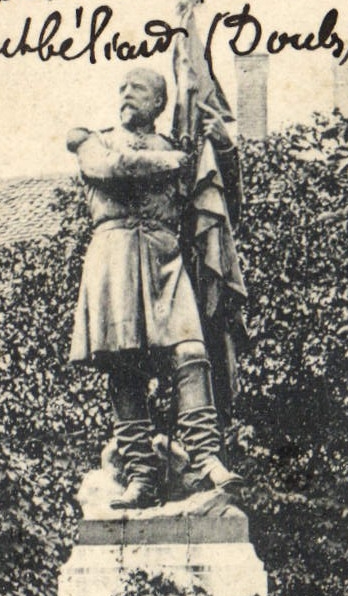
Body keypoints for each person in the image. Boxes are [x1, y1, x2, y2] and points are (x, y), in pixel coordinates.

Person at [68, 67, 239, 508]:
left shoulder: (179, 147)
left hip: (164, 259)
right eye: (122, 87)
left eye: (138, 89)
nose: (126, 94)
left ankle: (206, 458)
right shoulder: (92, 140)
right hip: (116, 259)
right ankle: (140, 476)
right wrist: (174, 160)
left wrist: (219, 148)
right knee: (125, 369)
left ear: (160, 102)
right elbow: (111, 168)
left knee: (191, 351)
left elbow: (218, 199)